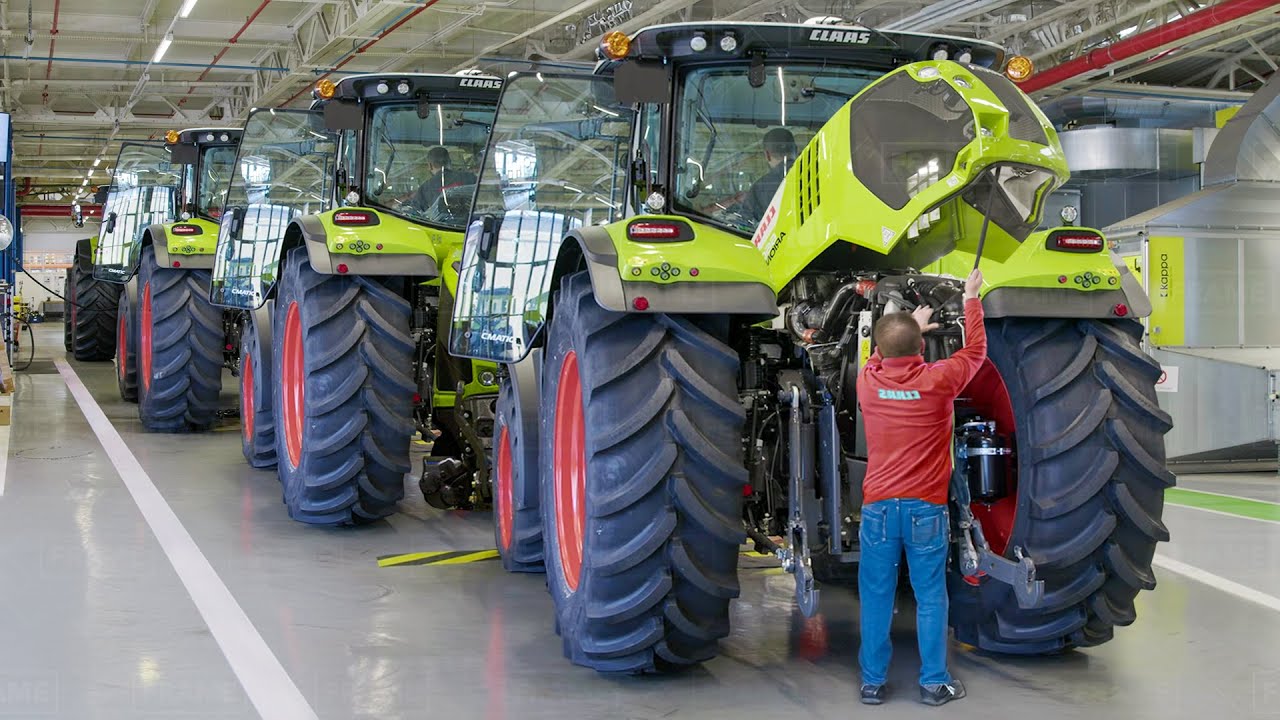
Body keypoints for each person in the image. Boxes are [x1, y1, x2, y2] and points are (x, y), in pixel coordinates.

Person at [855, 268, 986, 707]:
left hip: (878, 511)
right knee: (931, 596)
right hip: (925, 511)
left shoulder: (868, 383)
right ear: (922, 347)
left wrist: (910, 326)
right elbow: (977, 350)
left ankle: (871, 682)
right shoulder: (939, 381)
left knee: (876, 596)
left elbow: (877, 353)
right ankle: (934, 682)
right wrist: (971, 297)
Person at [740, 127, 797, 222]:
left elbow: (745, 224)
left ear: (767, 154)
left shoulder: (759, 188)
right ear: (795, 149)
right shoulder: (819, 174)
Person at [412, 146, 477, 213]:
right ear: (449, 162)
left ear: (430, 165)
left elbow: (417, 213)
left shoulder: (424, 189)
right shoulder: (469, 178)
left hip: (435, 223)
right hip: (468, 222)